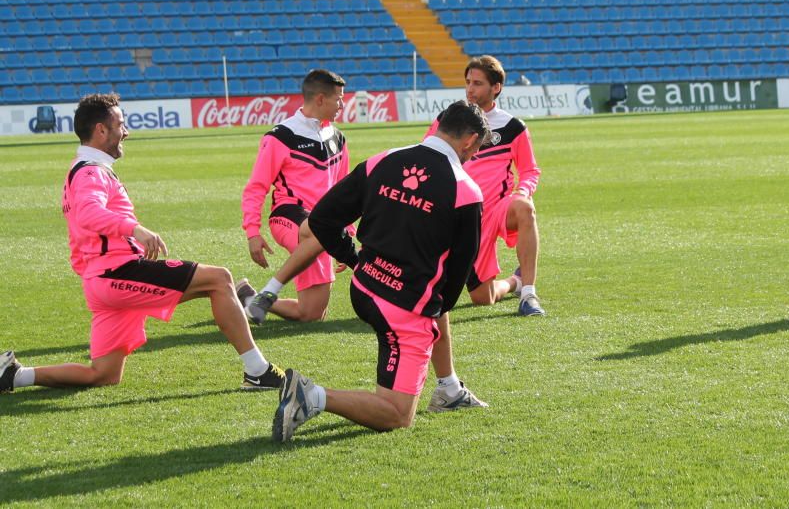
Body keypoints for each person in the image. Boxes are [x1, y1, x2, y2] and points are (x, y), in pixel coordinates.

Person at [0, 93, 283, 394]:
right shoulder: (90, 172)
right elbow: (88, 213)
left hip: (102, 281)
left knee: (104, 373)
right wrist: (136, 230)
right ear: (101, 130)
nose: (126, 131)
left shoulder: (83, 169)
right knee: (219, 279)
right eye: (121, 124)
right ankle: (257, 371)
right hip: (117, 273)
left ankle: (15, 375)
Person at [270, 100, 490, 440]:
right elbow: (459, 275)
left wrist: (354, 258)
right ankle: (311, 396)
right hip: (401, 310)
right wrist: (428, 312)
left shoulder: (384, 160)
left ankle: (448, 387)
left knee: (432, 290)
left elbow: (321, 219)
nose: (474, 155)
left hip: (365, 286)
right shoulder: (466, 191)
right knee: (397, 414)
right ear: (469, 140)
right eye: (477, 148)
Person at [426, 55, 544, 316]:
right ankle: (516, 282)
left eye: (478, 83)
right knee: (483, 298)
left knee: (525, 208)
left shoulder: (513, 127)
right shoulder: (447, 120)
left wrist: (522, 192)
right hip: (459, 216)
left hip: (496, 210)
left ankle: (529, 294)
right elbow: (428, 157)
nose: (470, 89)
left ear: (496, 88)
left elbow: (529, 170)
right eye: (468, 82)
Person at [240, 69, 350, 324]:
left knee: (311, 314)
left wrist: (346, 231)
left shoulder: (338, 138)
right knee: (319, 231)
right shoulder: (280, 137)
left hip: (323, 227)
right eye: (339, 99)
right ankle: (270, 289)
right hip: (288, 216)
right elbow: (256, 186)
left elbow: (343, 191)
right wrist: (252, 232)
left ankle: (249, 299)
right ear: (320, 99)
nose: (342, 105)